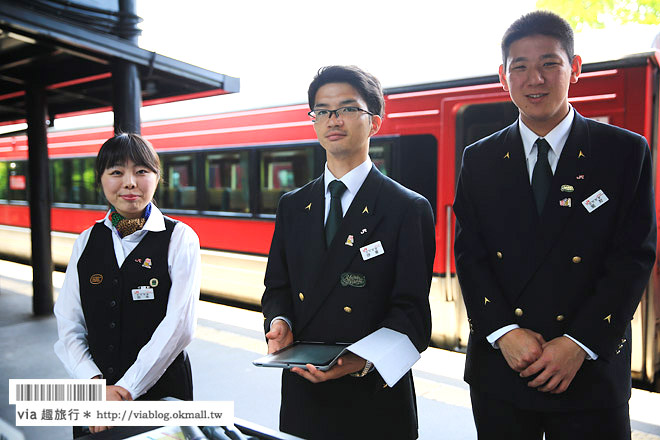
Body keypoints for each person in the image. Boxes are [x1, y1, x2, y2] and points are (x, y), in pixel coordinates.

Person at [453, 10, 656, 440]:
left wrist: (577, 343)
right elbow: (471, 256)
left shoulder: (623, 153)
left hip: (589, 371)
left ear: (575, 69)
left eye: (549, 63)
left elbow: (633, 258)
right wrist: (504, 331)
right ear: (503, 79)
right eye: (519, 67)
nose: (535, 79)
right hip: (502, 370)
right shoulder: (480, 158)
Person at [261, 65, 435, 440]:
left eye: (346, 108)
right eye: (321, 111)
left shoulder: (407, 207)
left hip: (374, 399)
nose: (332, 119)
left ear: (374, 122)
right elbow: (277, 288)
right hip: (303, 393)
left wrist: (360, 360)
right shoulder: (292, 205)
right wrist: (280, 325)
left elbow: (413, 314)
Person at [54, 133, 201, 436]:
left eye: (142, 171)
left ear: (157, 177)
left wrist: (125, 390)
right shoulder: (86, 241)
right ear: (101, 179)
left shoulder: (179, 237)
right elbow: (69, 323)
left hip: (161, 391)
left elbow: (180, 325)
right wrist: (94, 385)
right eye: (116, 172)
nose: (130, 182)